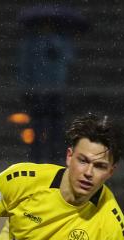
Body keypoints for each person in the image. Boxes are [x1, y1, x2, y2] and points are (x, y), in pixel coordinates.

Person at [18, 21, 75, 163]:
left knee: (56, 129)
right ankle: (36, 161)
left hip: (56, 91)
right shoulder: (31, 43)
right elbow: (25, 66)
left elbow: (69, 59)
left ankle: (56, 160)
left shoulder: (62, 41)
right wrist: (26, 87)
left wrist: (54, 44)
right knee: (37, 128)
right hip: (37, 92)